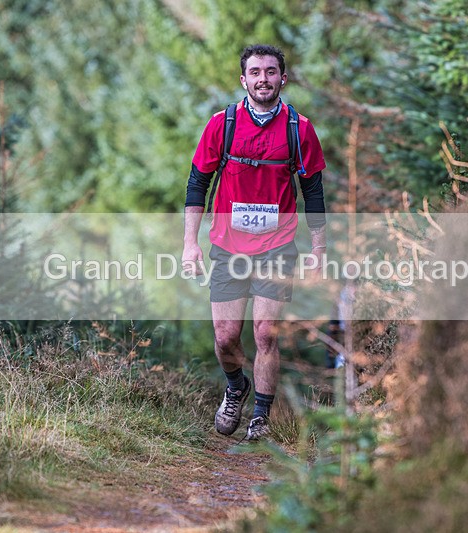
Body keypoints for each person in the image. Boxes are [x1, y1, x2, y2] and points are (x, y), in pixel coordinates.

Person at [182, 44, 327, 441]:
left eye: (270, 71)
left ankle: (260, 417)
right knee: (226, 337)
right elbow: (198, 183)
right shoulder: (221, 124)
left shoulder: (300, 129)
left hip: (278, 247)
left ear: (283, 77)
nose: (263, 79)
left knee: (266, 334)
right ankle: (236, 387)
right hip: (228, 248)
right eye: (255, 72)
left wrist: (318, 249)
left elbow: (313, 192)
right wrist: (189, 244)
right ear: (243, 79)